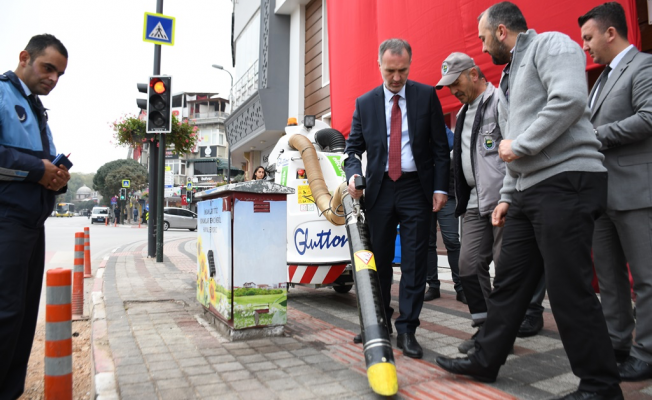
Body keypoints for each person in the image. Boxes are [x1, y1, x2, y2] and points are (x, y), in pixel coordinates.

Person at [435, 3, 623, 399]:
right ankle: (486, 360)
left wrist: (519, 146)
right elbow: (511, 143)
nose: (484, 49)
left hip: (566, 180)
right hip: (526, 191)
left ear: (501, 31)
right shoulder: (507, 78)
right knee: (509, 281)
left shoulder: (552, 46)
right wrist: (506, 195)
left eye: (485, 39)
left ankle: (601, 386)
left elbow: (569, 101)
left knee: (568, 286)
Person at [344, 38, 449, 359]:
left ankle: (408, 330)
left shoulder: (426, 96)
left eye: (402, 70)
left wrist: (440, 188)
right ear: (380, 66)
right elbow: (352, 149)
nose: (396, 78)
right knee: (377, 262)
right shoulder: (365, 103)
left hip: (416, 189)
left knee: (415, 262)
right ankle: (377, 323)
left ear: (409, 66)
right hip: (379, 191)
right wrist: (352, 174)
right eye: (390, 71)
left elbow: (439, 149)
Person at [435, 52, 545, 354]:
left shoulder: (500, 103)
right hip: (472, 202)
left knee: (508, 272)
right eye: (448, 86)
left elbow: (516, 149)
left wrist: (511, 195)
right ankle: (486, 331)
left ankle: (500, 336)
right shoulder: (460, 114)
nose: (453, 91)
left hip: (503, 200)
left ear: (473, 74)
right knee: (468, 266)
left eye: (456, 83)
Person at [579, 2, 652, 380]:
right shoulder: (602, 78)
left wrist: (594, 136)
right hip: (603, 195)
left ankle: (647, 351)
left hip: (637, 192)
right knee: (608, 277)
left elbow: (648, 117)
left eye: (589, 38)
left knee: (645, 277)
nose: (586, 46)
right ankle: (617, 341)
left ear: (611, 33)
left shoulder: (644, 67)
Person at [0, 34, 70, 399]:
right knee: (5, 313)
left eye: (59, 74)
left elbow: (46, 166)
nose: (53, 79)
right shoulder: (1, 94)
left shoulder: (38, 109)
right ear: (25, 57)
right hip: (6, 222)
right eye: (48, 68)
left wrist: (57, 178)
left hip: (32, 224)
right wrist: (36, 169)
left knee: (24, 317)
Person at [425, 125, 464, 304]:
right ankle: (433, 286)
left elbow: (453, 146)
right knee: (428, 242)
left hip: (447, 193)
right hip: (422, 195)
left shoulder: (442, 130)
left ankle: (461, 287)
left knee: (452, 241)